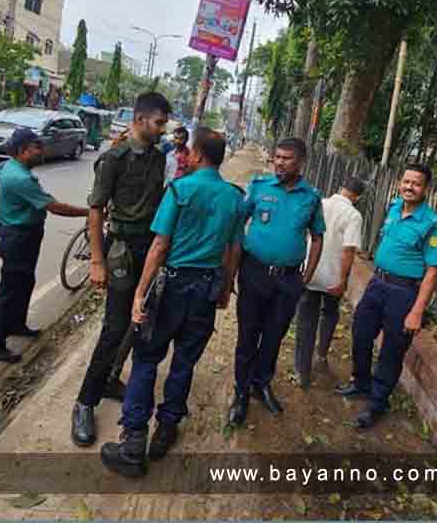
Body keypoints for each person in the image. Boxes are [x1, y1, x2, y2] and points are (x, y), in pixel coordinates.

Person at [100, 127, 244, 477]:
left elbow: (160, 246)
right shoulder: (234, 198)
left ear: (196, 155)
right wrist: (226, 287)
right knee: (183, 362)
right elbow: (233, 248)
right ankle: (166, 429)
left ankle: (134, 442)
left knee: (147, 357)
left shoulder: (180, 189)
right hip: (207, 289)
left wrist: (139, 292)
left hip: (172, 286)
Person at [71, 92, 170, 447]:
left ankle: (112, 375)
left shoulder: (159, 159)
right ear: (141, 119)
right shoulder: (113, 158)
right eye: (159, 122)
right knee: (113, 329)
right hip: (121, 250)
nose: (163, 129)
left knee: (137, 321)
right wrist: (96, 261)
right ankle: (84, 403)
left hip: (150, 250)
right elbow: (96, 211)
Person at [335, 164, 437, 430]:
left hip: (404, 292)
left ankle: (377, 403)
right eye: (406, 181)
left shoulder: (433, 225)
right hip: (378, 283)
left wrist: (417, 310)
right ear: (400, 182)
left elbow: (432, 272)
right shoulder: (395, 208)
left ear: (426, 189)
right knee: (361, 332)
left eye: (416, 183)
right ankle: (361, 383)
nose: (409, 187)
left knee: (391, 350)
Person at [229, 137, 325, 426]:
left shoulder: (311, 197)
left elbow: (318, 237)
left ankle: (261, 383)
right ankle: (241, 392)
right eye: (277, 157)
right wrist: (232, 270)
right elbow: (237, 225)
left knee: (273, 336)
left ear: (300, 162)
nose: (279, 162)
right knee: (248, 335)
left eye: (287, 158)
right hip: (254, 273)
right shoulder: (259, 186)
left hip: (288, 281)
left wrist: (306, 275)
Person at [0, 128, 89, 362]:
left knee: (25, 281)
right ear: (22, 151)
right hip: (18, 238)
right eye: (37, 147)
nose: (42, 151)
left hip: (17, 234)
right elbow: (55, 207)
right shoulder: (20, 178)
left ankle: (16, 323)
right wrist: (90, 212)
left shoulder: (7, 167)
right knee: (10, 289)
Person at [294, 177, 365, 389]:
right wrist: (343, 281)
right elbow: (348, 250)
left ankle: (302, 371)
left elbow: (304, 233)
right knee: (330, 313)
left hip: (311, 271)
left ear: (340, 189)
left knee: (305, 320)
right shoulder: (353, 215)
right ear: (357, 197)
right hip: (333, 277)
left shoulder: (320, 203)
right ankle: (321, 356)